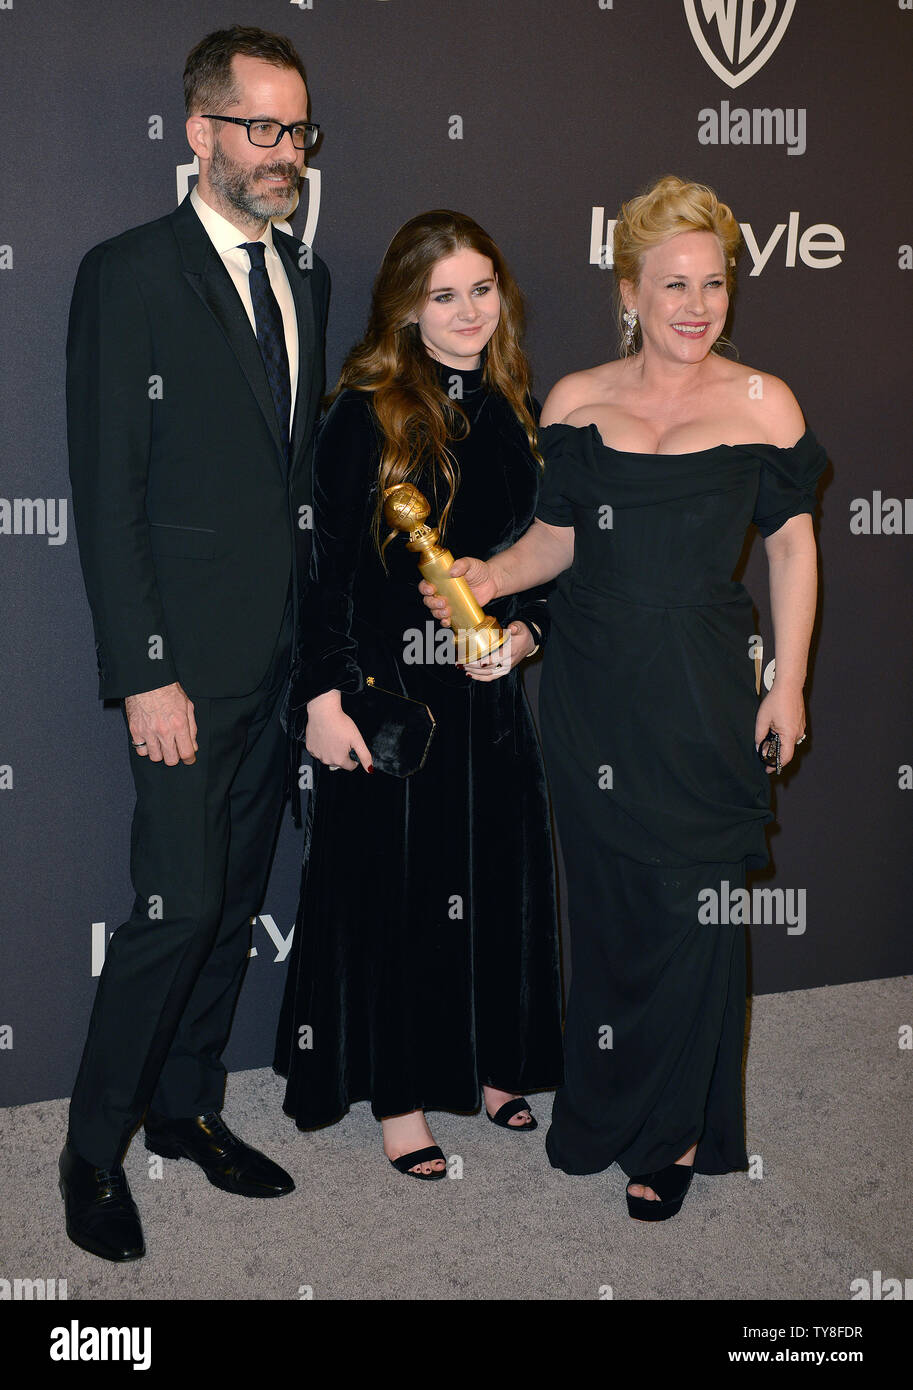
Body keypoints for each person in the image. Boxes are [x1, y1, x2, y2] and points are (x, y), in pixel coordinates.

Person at [421, 175, 826, 1218]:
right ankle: (602, 1106)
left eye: (716, 283)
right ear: (630, 291)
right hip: (594, 689)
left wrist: (786, 680)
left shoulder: (761, 400)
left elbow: (790, 547)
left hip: (700, 690)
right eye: (674, 284)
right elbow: (554, 542)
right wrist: (483, 579)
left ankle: (676, 1128)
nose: (697, 305)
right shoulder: (575, 399)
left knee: (692, 912)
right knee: (604, 908)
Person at [62, 25, 329, 1260]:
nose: (285, 153)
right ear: (201, 132)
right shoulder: (129, 274)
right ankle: (89, 1149)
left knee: (229, 910)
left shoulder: (306, 276)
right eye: (263, 129)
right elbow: (107, 497)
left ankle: (187, 1110)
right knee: (173, 908)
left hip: (274, 665)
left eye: (297, 131)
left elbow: (292, 489)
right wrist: (144, 671)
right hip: (181, 671)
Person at [273, 210, 564, 1178]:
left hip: (487, 699)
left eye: (482, 289)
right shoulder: (364, 412)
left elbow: (546, 560)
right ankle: (397, 1094)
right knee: (400, 897)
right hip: (392, 694)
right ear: (405, 307)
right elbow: (322, 572)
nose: (468, 310)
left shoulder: (519, 405)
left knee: (494, 882)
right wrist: (323, 698)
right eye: (444, 294)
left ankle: (489, 1064)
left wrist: (523, 634)